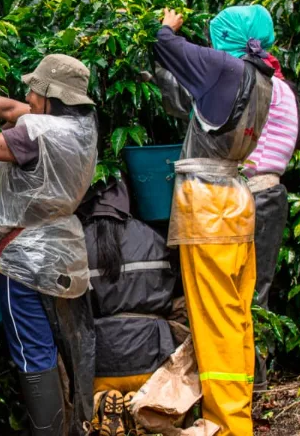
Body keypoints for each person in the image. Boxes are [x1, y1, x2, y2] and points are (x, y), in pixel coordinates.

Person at [0, 54, 99, 436]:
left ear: (48, 96)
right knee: (59, 346)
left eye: (33, 88)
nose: (27, 94)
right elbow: (12, 108)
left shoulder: (35, 133)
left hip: (24, 259)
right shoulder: (81, 125)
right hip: (65, 255)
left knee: (33, 354)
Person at [152, 5, 276, 436]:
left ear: (230, 37)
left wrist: (167, 25)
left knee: (215, 319)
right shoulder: (263, 78)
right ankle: (238, 415)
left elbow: (166, 44)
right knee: (238, 313)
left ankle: (228, 426)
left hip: (209, 206)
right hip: (236, 199)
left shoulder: (225, 67)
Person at [208, 9, 300, 390]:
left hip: (255, 195)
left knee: (246, 294)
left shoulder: (256, 86)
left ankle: (250, 384)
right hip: (266, 195)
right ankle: (250, 381)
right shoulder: (276, 83)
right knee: (252, 290)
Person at [77, 179, 179, 436]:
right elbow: (169, 296)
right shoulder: (154, 238)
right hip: (151, 358)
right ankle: (141, 404)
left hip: (101, 363)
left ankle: (102, 400)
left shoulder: (76, 245)